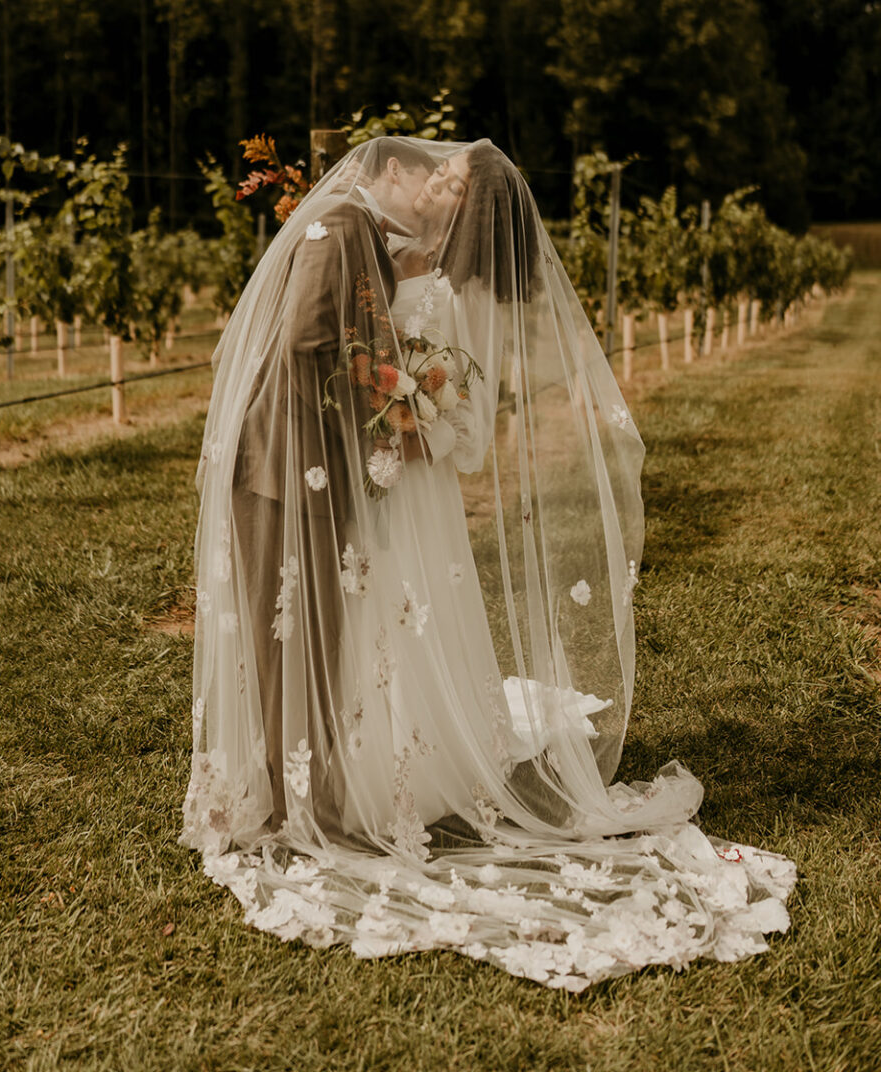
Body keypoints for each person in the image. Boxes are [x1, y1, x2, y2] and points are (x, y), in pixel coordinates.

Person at [182, 137, 794, 991]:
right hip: (299, 467)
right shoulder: (344, 229)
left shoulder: (370, 238)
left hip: (336, 469)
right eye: (429, 171)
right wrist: (390, 395)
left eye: (451, 183)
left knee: (317, 626)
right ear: (388, 171)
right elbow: (311, 346)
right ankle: (298, 796)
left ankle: (309, 796)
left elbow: (350, 351)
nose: (433, 185)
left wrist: (402, 398)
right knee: (299, 624)